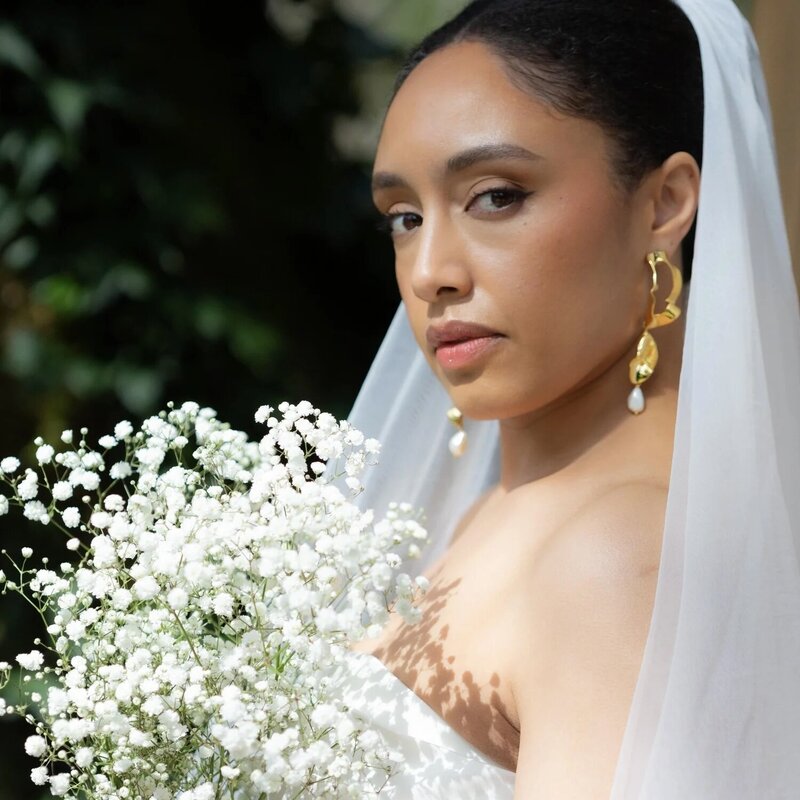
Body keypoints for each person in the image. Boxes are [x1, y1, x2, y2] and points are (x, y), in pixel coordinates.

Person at [337, 0, 800, 797]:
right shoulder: (497, 508)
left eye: (496, 196)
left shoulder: (619, 558)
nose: (429, 273)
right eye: (405, 218)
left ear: (664, 203)